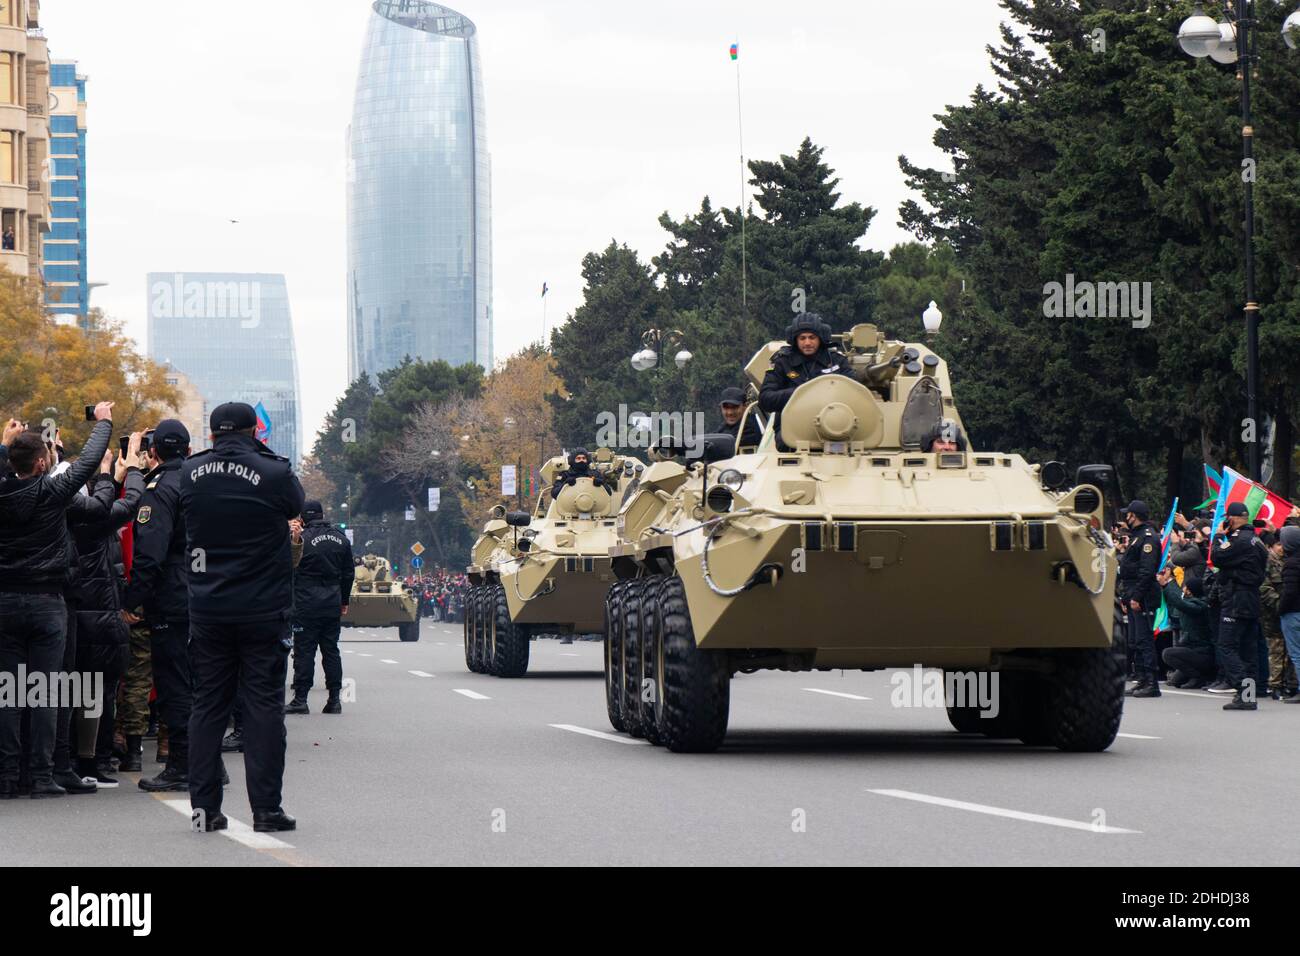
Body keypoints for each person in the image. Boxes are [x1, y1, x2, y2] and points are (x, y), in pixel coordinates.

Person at [181, 402, 305, 834]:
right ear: (256, 432)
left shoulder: (189, 474)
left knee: (207, 707)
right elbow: (296, 506)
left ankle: (204, 810)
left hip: (208, 609)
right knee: (263, 709)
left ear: (212, 435)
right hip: (263, 609)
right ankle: (266, 810)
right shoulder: (274, 473)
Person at [0, 406, 114, 798]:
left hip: (4, 600)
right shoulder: (52, 491)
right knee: (45, 690)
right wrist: (103, 421)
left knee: (9, 692)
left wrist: (5, 444)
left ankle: (7, 776)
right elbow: (88, 462)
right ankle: (42, 774)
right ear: (44, 462)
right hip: (47, 601)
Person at [122, 421, 194, 791]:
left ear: (153, 453)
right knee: (201, 681)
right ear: (189, 449)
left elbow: (151, 553)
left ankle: (182, 765)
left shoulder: (161, 487)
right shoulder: (203, 482)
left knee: (173, 683)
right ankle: (205, 760)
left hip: (173, 597)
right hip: (208, 594)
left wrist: (133, 599)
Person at [286, 500, 355, 716]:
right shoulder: (341, 539)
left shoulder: (302, 539)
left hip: (306, 603)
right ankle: (334, 699)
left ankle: (300, 699)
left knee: (304, 652)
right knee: (331, 650)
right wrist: (343, 601)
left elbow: (290, 568)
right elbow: (348, 574)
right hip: (332, 602)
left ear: (303, 517)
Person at [759, 313, 854, 445]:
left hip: (835, 428)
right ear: (795, 340)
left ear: (820, 338)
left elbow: (854, 392)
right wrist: (801, 393)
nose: (807, 342)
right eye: (802, 338)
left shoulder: (837, 361)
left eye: (812, 337)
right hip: (792, 432)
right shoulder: (783, 363)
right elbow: (765, 399)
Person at [1210, 501, 1269, 711]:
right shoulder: (1257, 541)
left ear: (1232, 519)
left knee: (1226, 646)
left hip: (1236, 598)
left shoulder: (1238, 540)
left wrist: (1218, 536)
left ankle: (1243, 691)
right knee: (1248, 649)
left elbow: (1217, 557)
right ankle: (1249, 695)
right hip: (1251, 598)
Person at [1117, 500, 1161, 698]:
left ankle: (1152, 683)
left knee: (1144, 639)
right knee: (1135, 639)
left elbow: (1147, 570)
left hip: (1142, 595)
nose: (1126, 517)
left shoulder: (1148, 538)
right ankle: (1142, 679)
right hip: (1133, 593)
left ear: (1133, 516)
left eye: (1128, 514)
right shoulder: (1137, 537)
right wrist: (1128, 598)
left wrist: (1136, 597)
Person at [1159, 567, 1215, 689]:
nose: (1182, 589)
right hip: (1193, 650)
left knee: (1167, 654)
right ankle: (1197, 675)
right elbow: (1177, 607)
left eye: (1184, 587)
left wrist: (1167, 584)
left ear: (1189, 591)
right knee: (1175, 681)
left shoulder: (1199, 605)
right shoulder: (1193, 602)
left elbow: (1180, 603)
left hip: (1203, 653)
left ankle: (1198, 677)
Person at [1259, 533, 1298, 700]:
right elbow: (1264, 587)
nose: (1281, 548)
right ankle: (1275, 685)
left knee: (1292, 653)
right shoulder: (1268, 563)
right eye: (1278, 545)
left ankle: (1291, 683)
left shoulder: (1291, 561)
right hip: (1273, 614)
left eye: (1283, 544)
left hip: (1289, 610)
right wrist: (1278, 605)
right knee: (1276, 651)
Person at [1276, 525, 1300, 704]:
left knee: (1297, 653)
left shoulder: (1291, 563)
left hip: (1293, 612)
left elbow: (1289, 591)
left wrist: (1280, 608)